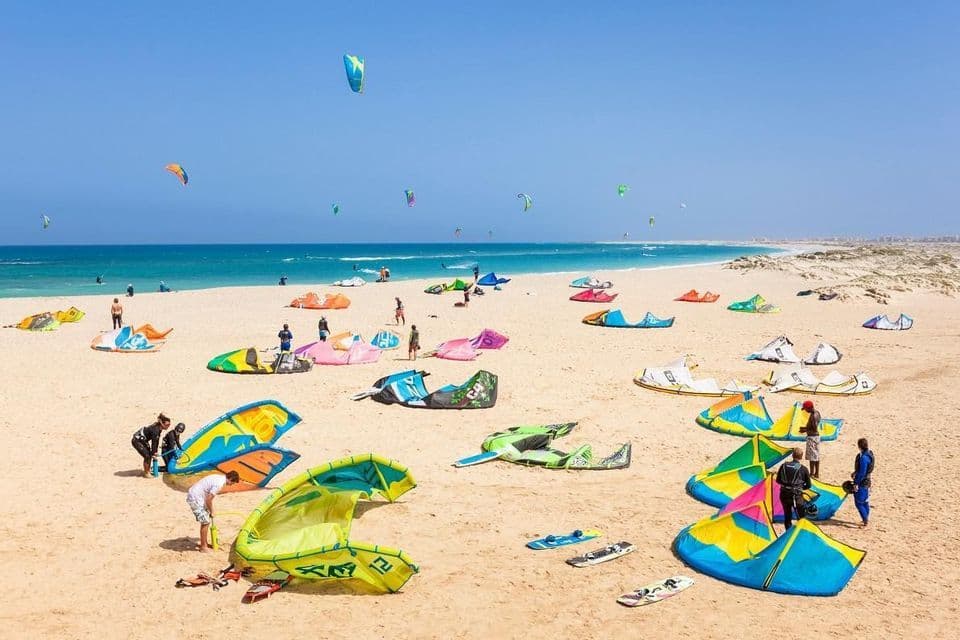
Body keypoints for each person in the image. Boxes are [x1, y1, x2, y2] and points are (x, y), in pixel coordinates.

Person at [186, 470, 240, 552]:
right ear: (230, 478)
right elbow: (208, 500)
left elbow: (207, 496)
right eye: (233, 482)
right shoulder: (219, 484)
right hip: (195, 498)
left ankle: (205, 543)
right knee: (205, 522)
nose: (232, 485)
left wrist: (209, 510)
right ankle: (203, 547)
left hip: (198, 496)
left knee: (206, 519)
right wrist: (212, 511)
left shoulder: (218, 477)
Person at [776, 448, 811, 530]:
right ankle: (800, 533)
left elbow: (778, 480)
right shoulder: (803, 468)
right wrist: (801, 488)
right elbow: (809, 485)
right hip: (796, 495)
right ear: (801, 457)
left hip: (784, 494)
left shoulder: (784, 465)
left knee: (787, 516)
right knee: (801, 517)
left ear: (792, 455)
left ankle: (788, 534)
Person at [131, 413, 172, 477]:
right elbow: (154, 442)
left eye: (169, 424)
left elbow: (156, 441)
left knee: (150, 454)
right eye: (167, 425)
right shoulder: (155, 430)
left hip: (142, 440)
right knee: (147, 456)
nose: (168, 426)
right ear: (162, 424)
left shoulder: (158, 428)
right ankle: (146, 473)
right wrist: (154, 453)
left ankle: (147, 470)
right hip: (137, 441)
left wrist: (154, 452)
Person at [851, 438, 875, 527]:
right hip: (868, 481)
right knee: (865, 501)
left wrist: (856, 483)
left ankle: (865, 519)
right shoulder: (870, 454)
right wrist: (855, 472)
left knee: (859, 502)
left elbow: (862, 473)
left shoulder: (864, 458)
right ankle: (866, 517)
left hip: (862, 482)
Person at [801, 400, 821, 478]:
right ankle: (817, 473)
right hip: (816, 437)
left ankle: (812, 473)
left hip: (812, 437)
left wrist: (805, 430)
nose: (805, 411)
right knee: (816, 455)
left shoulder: (813, 416)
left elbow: (814, 428)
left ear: (809, 408)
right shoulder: (817, 413)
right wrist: (805, 428)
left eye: (805, 409)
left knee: (812, 457)